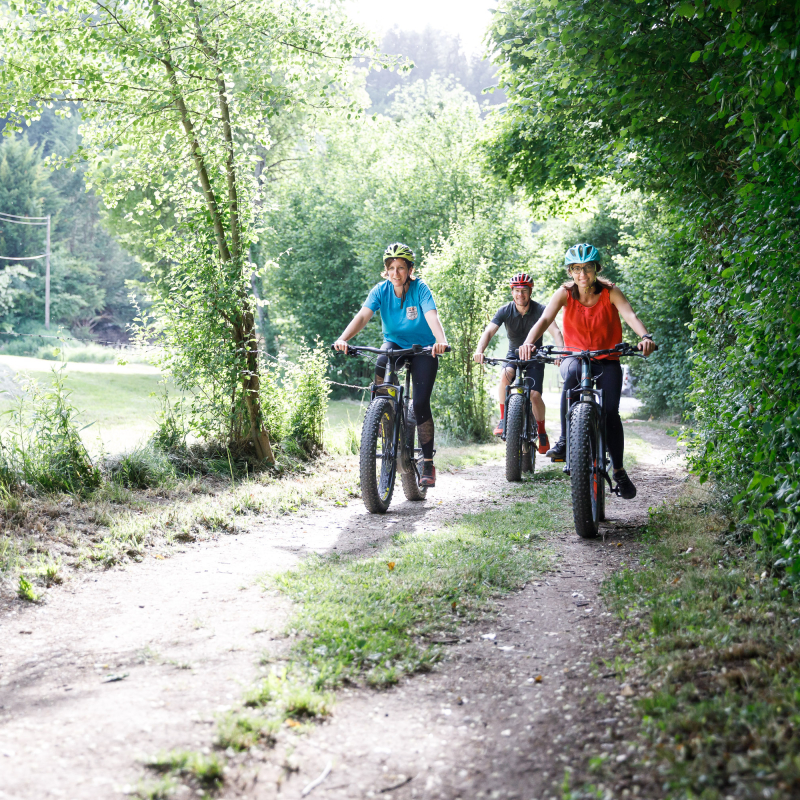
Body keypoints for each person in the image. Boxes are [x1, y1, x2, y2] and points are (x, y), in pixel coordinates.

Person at [518, 244, 655, 499]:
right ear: (570, 271)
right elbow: (544, 320)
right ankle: (565, 440)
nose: (583, 274)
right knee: (570, 378)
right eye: (577, 269)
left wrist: (644, 336)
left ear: (596, 269)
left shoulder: (611, 292)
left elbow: (630, 315)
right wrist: (528, 342)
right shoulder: (565, 293)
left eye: (588, 268)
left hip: (607, 358)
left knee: (611, 412)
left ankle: (620, 471)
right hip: (575, 357)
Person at [334, 243, 449, 488]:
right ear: (385, 270)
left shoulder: (420, 289)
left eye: (401, 268)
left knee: (419, 403)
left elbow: (431, 316)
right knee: (381, 363)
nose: (395, 273)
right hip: (394, 343)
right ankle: (384, 413)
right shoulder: (380, 290)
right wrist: (344, 338)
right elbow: (363, 316)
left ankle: (428, 462)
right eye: (391, 268)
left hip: (424, 348)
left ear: (410, 269)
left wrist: (441, 341)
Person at [473, 272, 564, 453]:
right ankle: (503, 418)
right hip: (513, 355)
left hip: (535, 357)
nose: (520, 295)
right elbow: (488, 332)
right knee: (505, 378)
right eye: (516, 290)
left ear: (530, 292)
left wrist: (561, 352)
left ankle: (542, 431)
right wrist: (479, 350)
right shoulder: (505, 310)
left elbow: (556, 332)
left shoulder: (540, 310)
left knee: (535, 396)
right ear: (512, 291)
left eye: (524, 290)